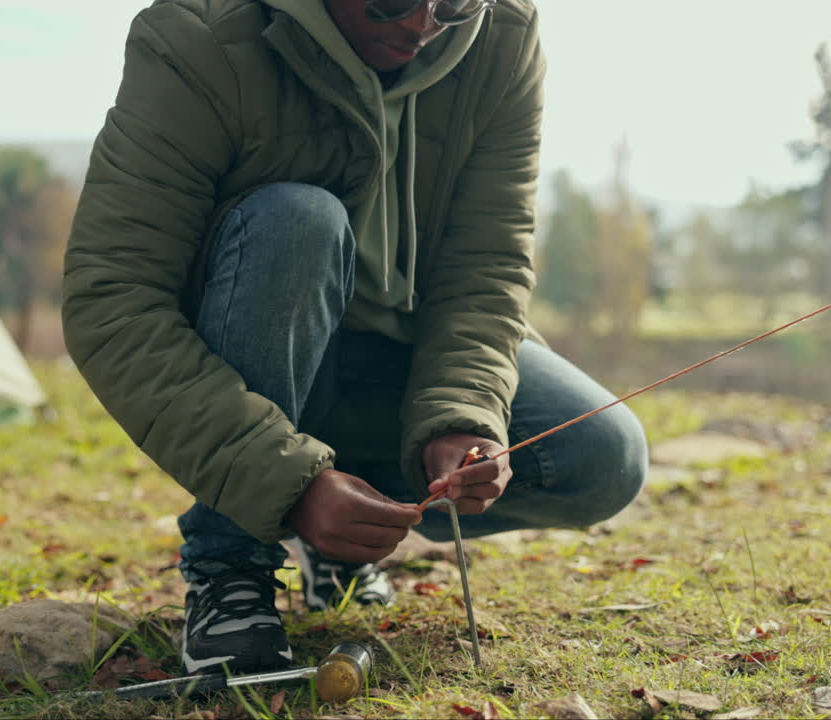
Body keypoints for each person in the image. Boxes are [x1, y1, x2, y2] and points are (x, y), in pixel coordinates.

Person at [62, 0, 648, 675]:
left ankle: (346, 527)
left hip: (401, 358)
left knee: (602, 454)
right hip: (251, 360)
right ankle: (231, 566)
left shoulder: (502, 34)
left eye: (454, 4)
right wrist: (288, 484)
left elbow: (486, 264)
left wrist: (461, 415)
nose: (422, 25)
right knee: (297, 222)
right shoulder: (199, 38)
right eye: (391, 1)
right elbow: (112, 298)